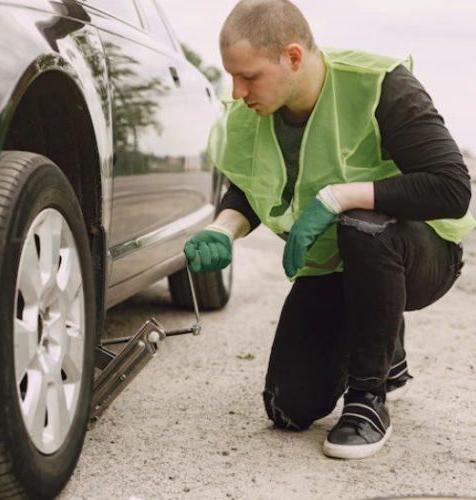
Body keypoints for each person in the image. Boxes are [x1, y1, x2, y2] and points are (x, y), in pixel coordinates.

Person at [184, 0, 474, 459]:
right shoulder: (250, 115)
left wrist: (339, 196)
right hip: (338, 266)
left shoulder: (380, 85)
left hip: (417, 254)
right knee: (288, 408)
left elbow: (451, 188)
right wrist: (223, 229)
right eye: (231, 76)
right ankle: (385, 345)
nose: (237, 91)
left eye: (250, 76)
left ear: (293, 57)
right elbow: (247, 188)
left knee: (363, 226)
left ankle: (368, 399)